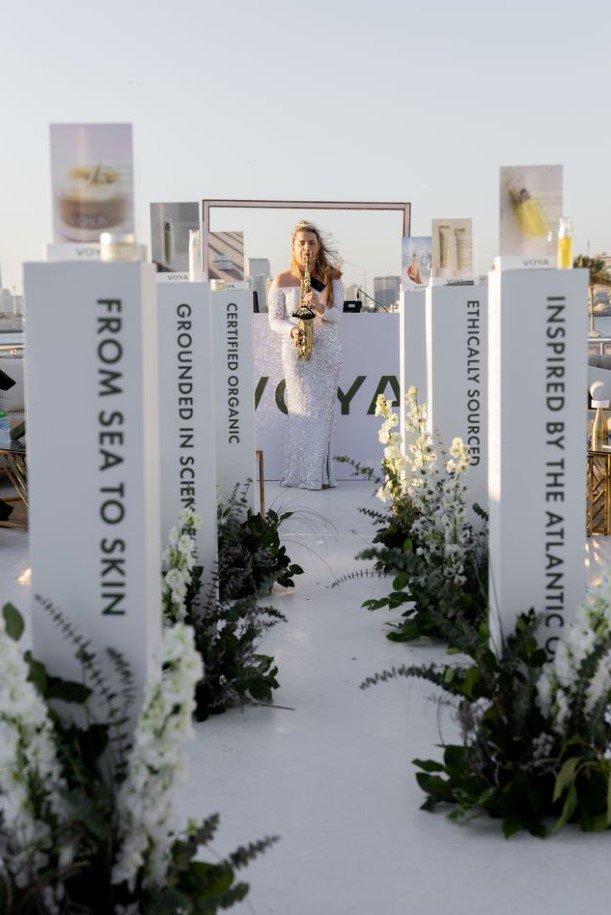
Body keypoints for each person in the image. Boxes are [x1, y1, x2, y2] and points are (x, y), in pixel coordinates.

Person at [268, 220, 344, 490]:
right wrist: (292, 331)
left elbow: (338, 315)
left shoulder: (332, 277)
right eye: (302, 243)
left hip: (326, 351)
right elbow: (274, 320)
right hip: (296, 350)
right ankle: (299, 474)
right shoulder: (281, 280)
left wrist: (320, 307)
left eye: (311, 243)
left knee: (322, 413)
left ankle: (317, 476)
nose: (306, 248)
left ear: (318, 247)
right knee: (301, 410)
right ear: (294, 246)